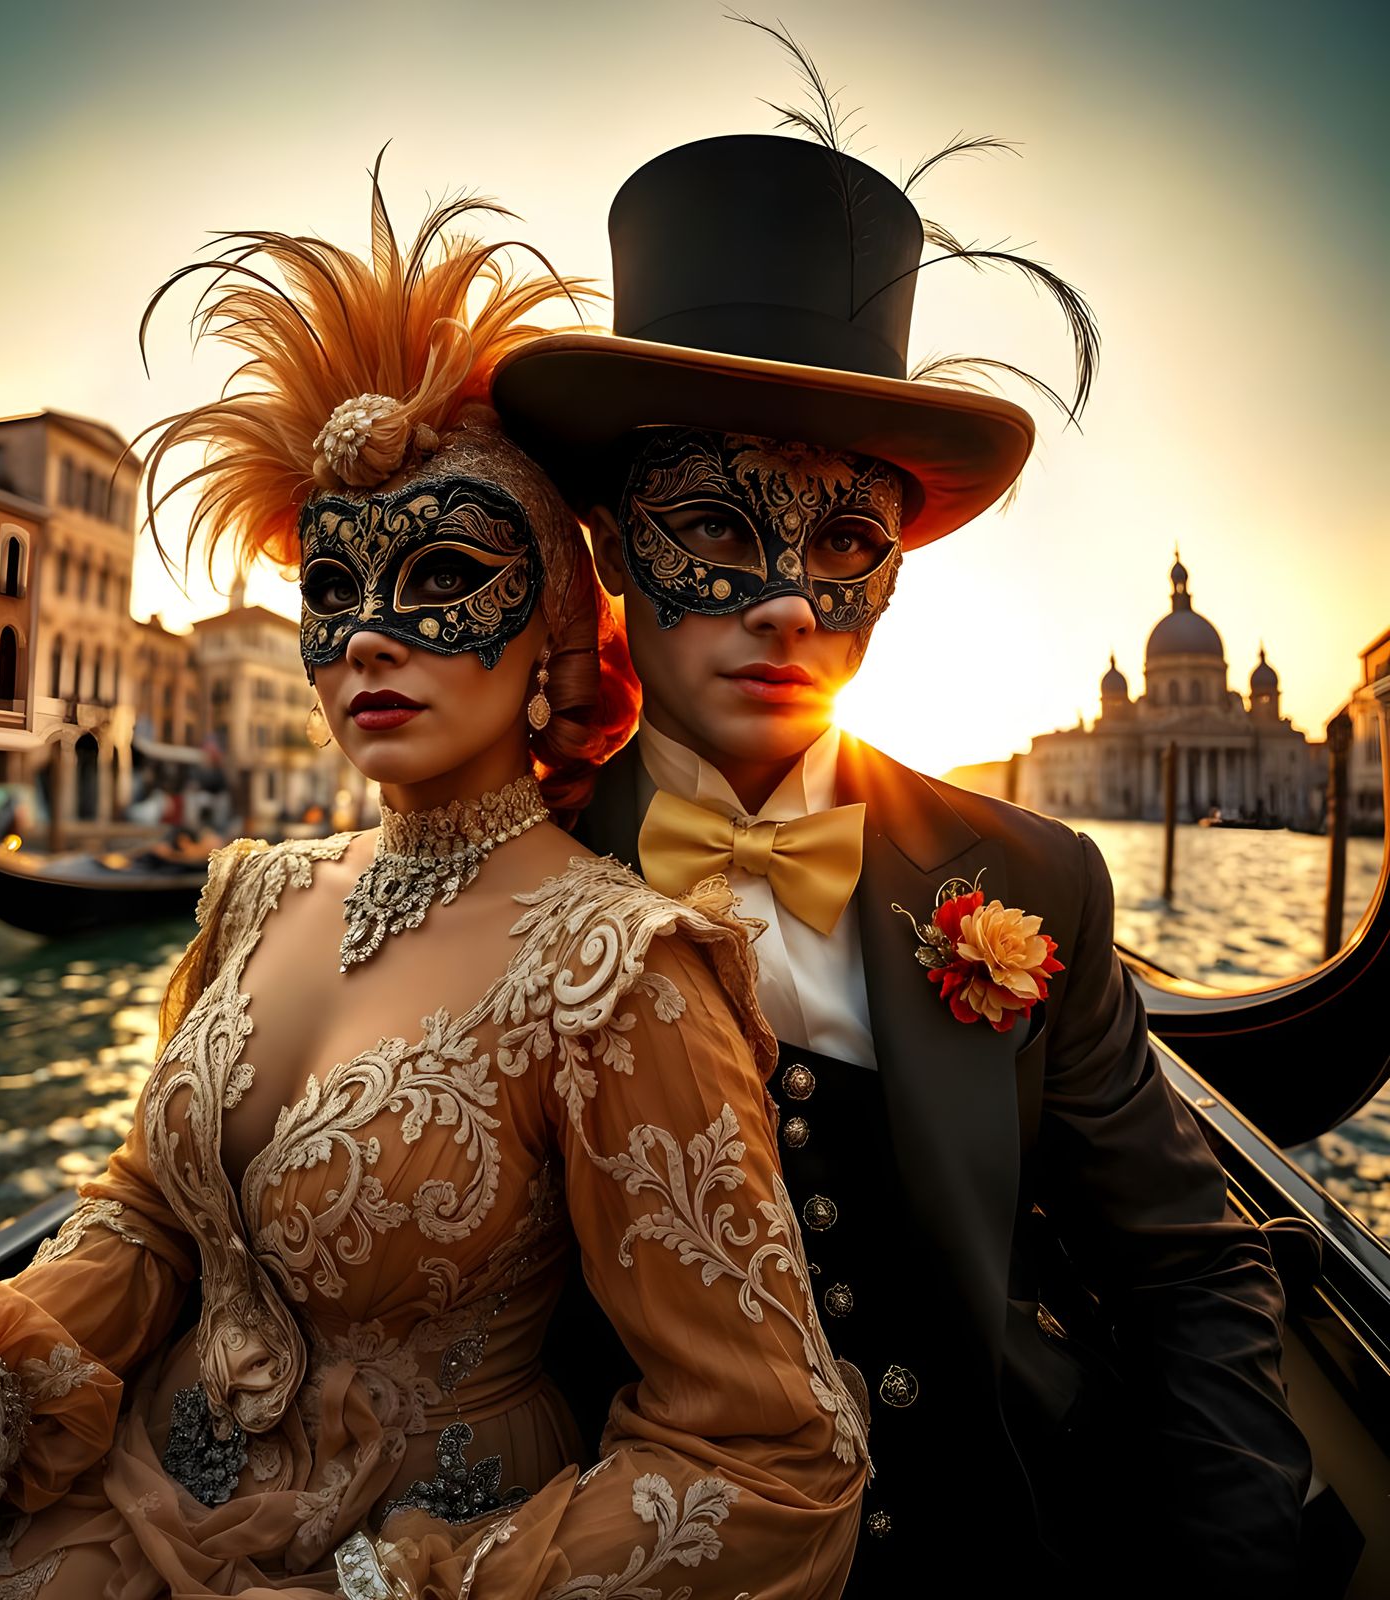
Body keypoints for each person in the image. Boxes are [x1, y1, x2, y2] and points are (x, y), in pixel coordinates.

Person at [0, 171, 865, 1599]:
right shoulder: (251, 891)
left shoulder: (619, 968)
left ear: (552, 621)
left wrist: (400, 1588)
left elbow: (767, 1460)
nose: (373, 636)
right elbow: (149, 1218)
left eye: (442, 573)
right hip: (118, 1498)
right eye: (334, 591)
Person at [493, 123, 1312, 1591]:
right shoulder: (507, 881)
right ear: (614, 549)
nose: (790, 608)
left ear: (895, 572)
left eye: (846, 543)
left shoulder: (1035, 879)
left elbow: (1188, 1264)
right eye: (712, 528)